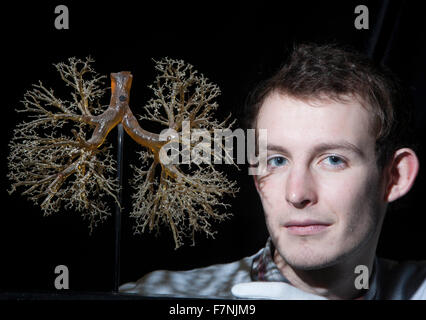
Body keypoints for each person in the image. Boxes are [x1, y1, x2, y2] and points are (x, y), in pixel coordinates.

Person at [119, 43, 426, 300]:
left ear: (394, 176)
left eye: (333, 160)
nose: (297, 194)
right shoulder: (167, 297)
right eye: (277, 161)